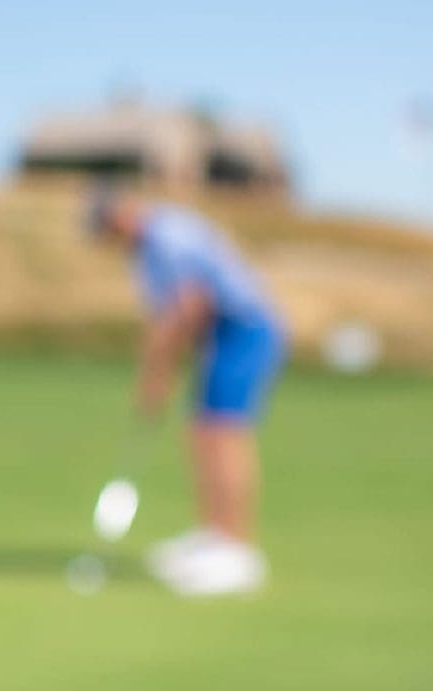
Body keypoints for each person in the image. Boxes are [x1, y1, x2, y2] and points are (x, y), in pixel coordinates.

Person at [88, 184, 287, 596]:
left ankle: (237, 552)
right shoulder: (145, 249)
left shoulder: (167, 236)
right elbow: (171, 313)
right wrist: (160, 368)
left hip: (244, 330)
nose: (110, 240)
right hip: (221, 335)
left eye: (108, 229)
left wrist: (160, 372)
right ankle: (213, 537)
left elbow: (191, 305)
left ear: (122, 215)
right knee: (202, 432)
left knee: (222, 434)